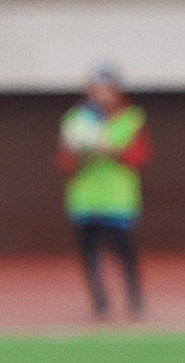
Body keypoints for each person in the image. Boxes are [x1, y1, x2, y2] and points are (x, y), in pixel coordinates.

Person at [60, 64, 147, 319]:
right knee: (89, 252)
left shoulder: (131, 118)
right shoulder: (75, 120)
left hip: (117, 200)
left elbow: (138, 156)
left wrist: (108, 148)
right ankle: (99, 300)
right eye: (95, 90)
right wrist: (84, 152)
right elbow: (65, 162)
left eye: (106, 90)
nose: (100, 95)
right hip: (85, 199)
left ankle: (134, 296)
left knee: (124, 250)